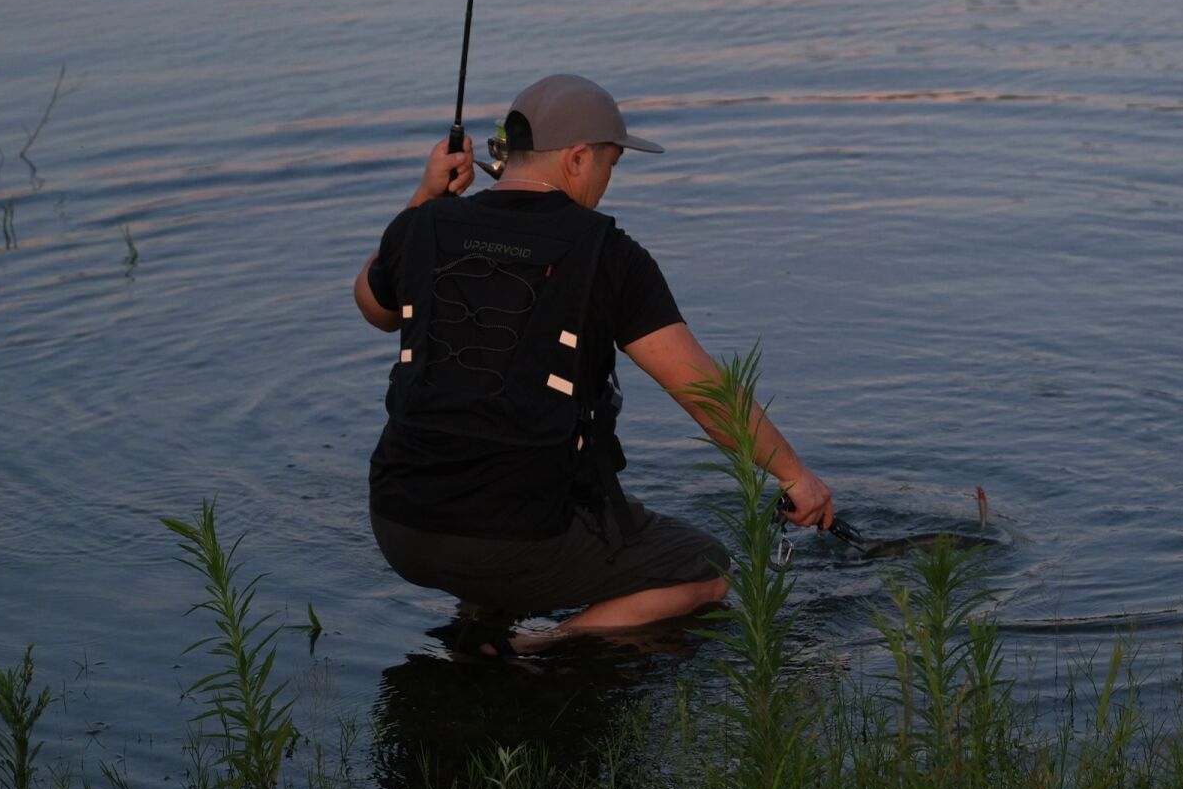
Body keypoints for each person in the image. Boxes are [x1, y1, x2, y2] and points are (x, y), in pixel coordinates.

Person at [352, 73, 834, 654]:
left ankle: (481, 619)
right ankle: (540, 647)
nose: (609, 181)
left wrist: (426, 195)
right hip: (520, 537)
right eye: (611, 163)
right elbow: (705, 395)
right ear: (578, 159)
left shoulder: (422, 225)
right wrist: (794, 476)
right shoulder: (611, 255)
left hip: (398, 525)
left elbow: (373, 306)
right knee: (705, 570)